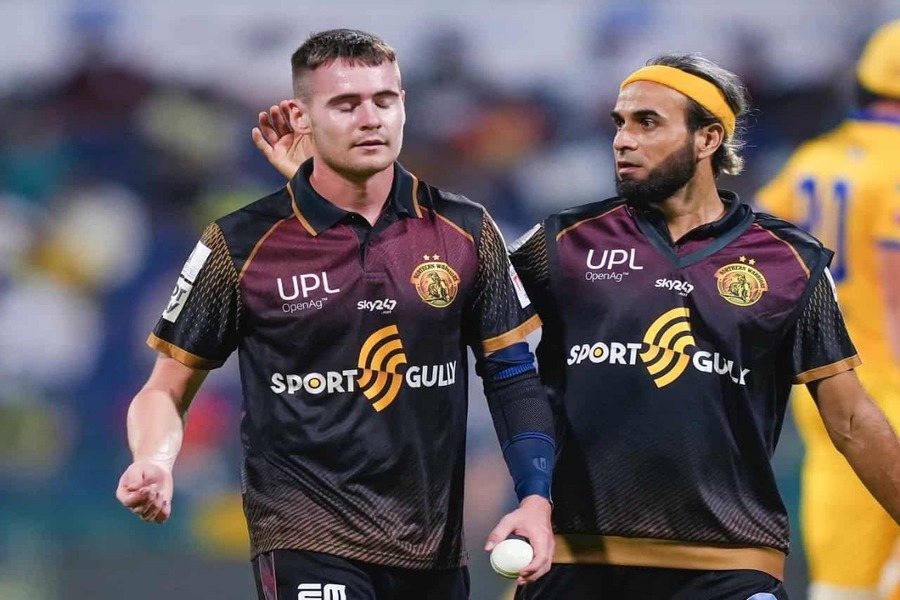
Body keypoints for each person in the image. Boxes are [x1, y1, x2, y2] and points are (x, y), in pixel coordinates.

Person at [251, 51, 900, 599]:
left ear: (708, 139)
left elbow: (850, 419)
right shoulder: (562, 243)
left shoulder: (791, 262)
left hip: (729, 565)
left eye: (648, 122)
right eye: (619, 123)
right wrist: (328, 197)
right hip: (573, 563)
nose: (622, 139)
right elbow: (427, 289)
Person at [115, 29, 558, 600]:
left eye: (384, 100)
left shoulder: (466, 230)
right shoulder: (239, 244)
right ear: (302, 117)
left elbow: (513, 374)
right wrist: (154, 459)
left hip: (433, 550)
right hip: (305, 537)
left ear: (403, 106)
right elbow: (165, 389)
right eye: (346, 105)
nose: (370, 119)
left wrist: (535, 498)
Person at [755, 20, 900, 600]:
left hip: (827, 390)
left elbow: (754, 242)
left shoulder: (815, 158)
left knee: (843, 586)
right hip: (891, 394)